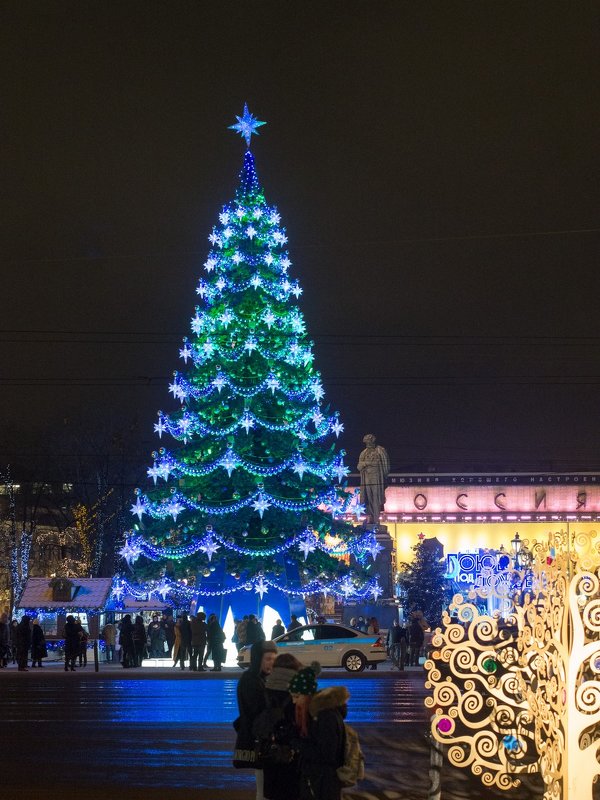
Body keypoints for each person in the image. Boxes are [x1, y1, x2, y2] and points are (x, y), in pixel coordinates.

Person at [289, 666, 348, 800]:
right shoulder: (321, 714)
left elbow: (326, 753)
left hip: (323, 783)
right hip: (323, 780)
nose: (294, 701)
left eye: (297, 696)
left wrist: (298, 744)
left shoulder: (326, 717)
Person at [234, 640, 278, 800]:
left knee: (266, 788)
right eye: (268, 659)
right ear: (258, 658)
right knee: (264, 790)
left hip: (262, 740)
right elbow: (258, 712)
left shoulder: (262, 678)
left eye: (274, 659)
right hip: (260, 741)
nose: (271, 663)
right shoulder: (250, 680)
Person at [258, 653, 303, 800]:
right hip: (293, 753)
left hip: (270, 752)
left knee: (274, 792)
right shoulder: (299, 692)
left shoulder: (264, 690)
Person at [357, 433, 390, 525]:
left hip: (377, 478)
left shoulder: (380, 450)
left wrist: (384, 478)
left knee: (376, 498)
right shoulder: (363, 453)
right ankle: (370, 518)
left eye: (370, 441)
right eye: (367, 442)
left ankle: (376, 519)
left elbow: (386, 466)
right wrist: (366, 463)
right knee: (368, 498)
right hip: (367, 478)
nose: (368, 443)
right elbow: (359, 467)